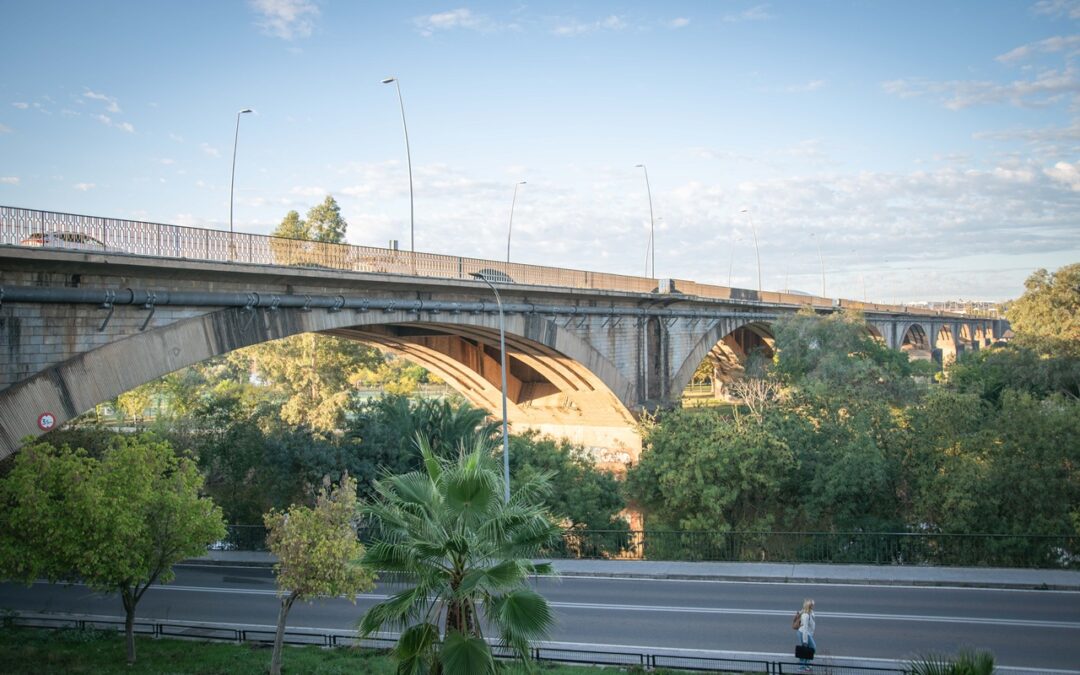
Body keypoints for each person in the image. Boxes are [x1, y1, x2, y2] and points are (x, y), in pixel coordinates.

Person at [797, 598, 816, 672]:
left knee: (808, 649)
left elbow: (801, 611)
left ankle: (806, 664)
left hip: (807, 633)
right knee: (810, 648)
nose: (813, 606)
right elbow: (804, 628)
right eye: (812, 605)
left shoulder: (809, 612)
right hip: (804, 633)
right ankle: (802, 667)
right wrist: (805, 641)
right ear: (809, 606)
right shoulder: (805, 615)